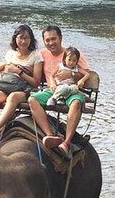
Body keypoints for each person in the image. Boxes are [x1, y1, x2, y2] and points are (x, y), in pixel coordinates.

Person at [28, 25, 89, 157]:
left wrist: (71, 75)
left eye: (53, 39)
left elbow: (88, 76)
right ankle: (50, 135)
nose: (51, 43)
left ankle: (66, 142)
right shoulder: (42, 54)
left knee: (76, 103)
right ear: (44, 41)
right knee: (32, 99)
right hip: (54, 90)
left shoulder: (72, 53)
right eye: (47, 40)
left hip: (71, 91)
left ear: (60, 38)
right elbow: (27, 63)